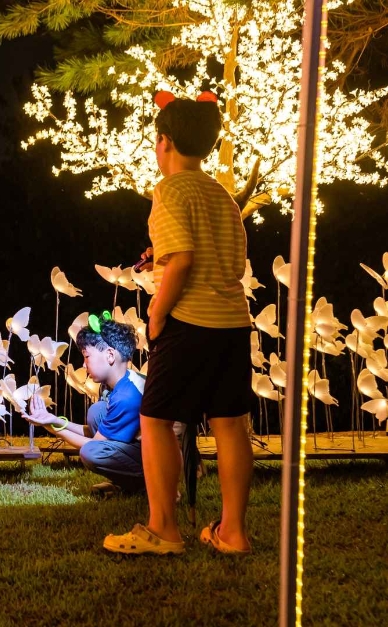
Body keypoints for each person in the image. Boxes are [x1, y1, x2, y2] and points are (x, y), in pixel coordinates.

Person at [103, 92, 253, 556]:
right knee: (230, 424)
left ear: (164, 141)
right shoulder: (223, 196)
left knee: (154, 419)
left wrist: (156, 312)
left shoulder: (169, 190)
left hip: (189, 321)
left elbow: (182, 261)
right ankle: (232, 532)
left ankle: (163, 528)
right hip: (232, 322)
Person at [24, 317, 145, 495]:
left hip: (161, 461)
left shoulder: (127, 396)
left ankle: (145, 486)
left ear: (110, 355)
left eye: (87, 356)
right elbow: (99, 434)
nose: (83, 364)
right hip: (144, 449)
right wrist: (54, 420)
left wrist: (51, 427)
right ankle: (131, 485)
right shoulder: (124, 382)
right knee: (98, 412)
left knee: (91, 453)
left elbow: (95, 444)